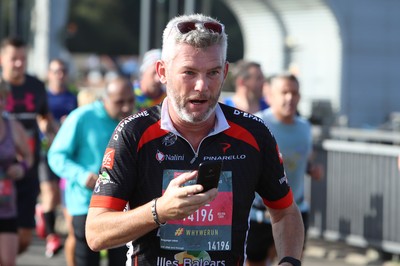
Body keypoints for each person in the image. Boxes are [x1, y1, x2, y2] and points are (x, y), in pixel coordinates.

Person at [85, 13, 304, 266]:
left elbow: (285, 212)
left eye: (213, 72)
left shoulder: (254, 134)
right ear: (162, 72)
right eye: (189, 72)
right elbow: (95, 233)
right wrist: (159, 211)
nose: (202, 86)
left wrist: (289, 261)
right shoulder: (133, 133)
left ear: (225, 73)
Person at [47, 76, 135, 266]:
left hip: (119, 206)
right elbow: (56, 155)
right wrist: (81, 175)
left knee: (120, 260)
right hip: (84, 203)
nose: (127, 107)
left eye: (130, 101)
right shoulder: (82, 117)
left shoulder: (133, 122)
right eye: (120, 102)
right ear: (105, 98)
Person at [246, 73, 323, 266]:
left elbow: (303, 159)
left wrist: (312, 169)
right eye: (284, 92)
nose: (290, 98)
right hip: (259, 214)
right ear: (269, 95)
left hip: (295, 210)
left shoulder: (305, 127)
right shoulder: (257, 124)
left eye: (295, 93)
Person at [0, 36, 57, 254]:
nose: (18, 63)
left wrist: (53, 132)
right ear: (2, 59)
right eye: (14, 58)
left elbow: (44, 116)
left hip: (27, 165)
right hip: (3, 170)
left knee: (24, 237)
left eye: (22, 58)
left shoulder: (35, 86)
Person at [36, 58, 78, 258]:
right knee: (50, 194)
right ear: (49, 74)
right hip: (46, 151)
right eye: (55, 71)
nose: (59, 75)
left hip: (66, 153)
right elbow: (37, 120)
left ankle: (44, 215)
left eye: (62, 71)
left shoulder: (72, 97)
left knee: (61, 198)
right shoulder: (42, 97)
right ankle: (52, 236)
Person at [0, 78, 33, 266]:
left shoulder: (12, 126)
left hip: (6, 207)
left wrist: (21, 168)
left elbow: (28, 156)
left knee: (8, 261)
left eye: (2, 98)